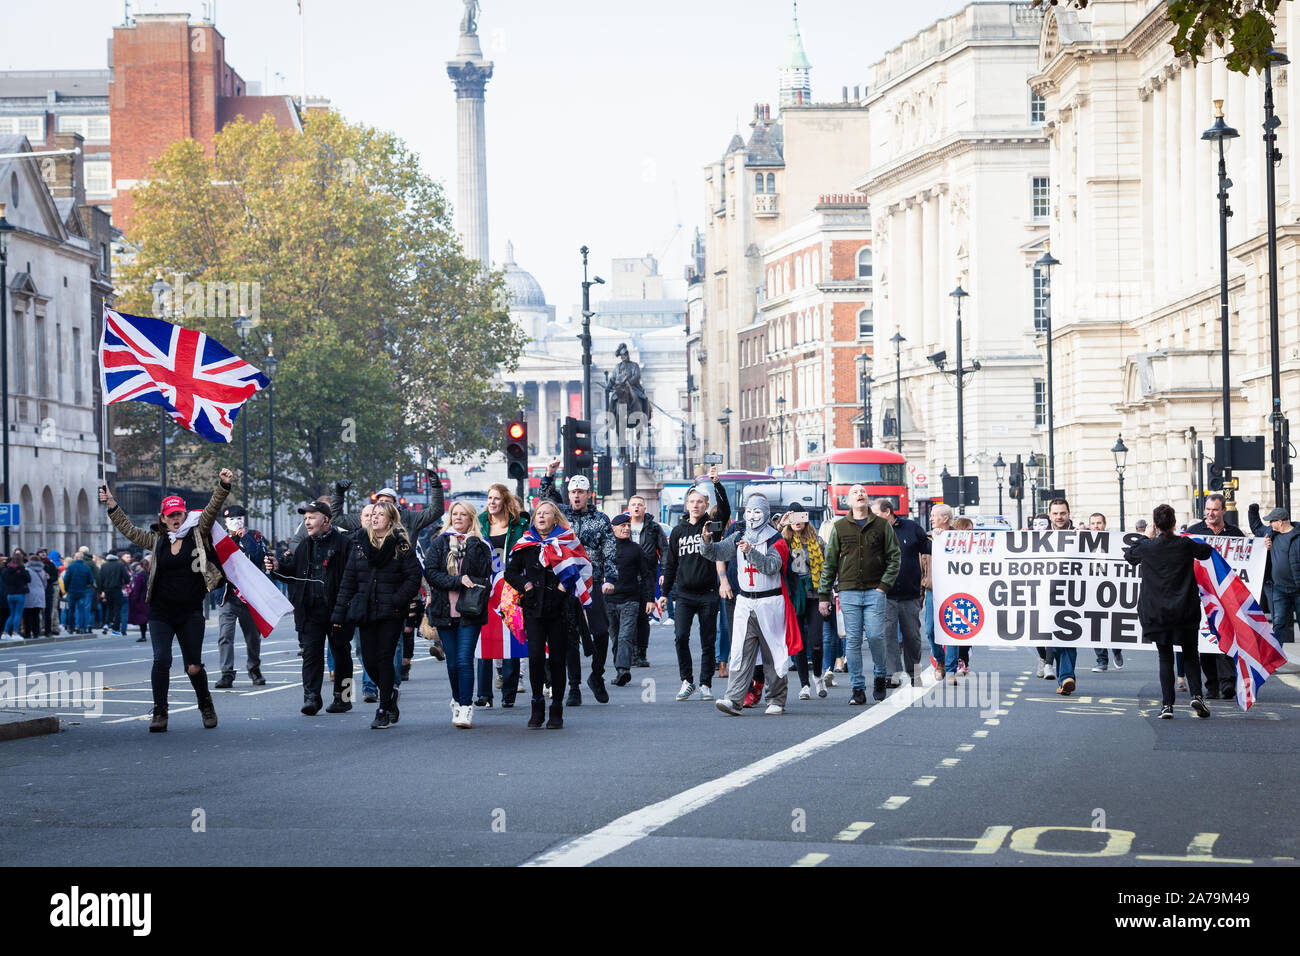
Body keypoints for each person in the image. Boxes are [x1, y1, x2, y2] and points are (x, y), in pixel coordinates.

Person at [101, 471, 234, 733]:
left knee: (193, 666)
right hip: (161, 611)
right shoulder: (157, 540)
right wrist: (112, 505)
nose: (175, 519)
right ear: (162, 518)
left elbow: (211, 509)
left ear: (185, 515)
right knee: (161, 660)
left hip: (190, 611)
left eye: (179, 514)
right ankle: (160, 712)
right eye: (170, 515)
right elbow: (128, 530)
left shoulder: (198, 533)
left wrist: (223, 485)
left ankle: (205, 703)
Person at [705, 494, 801, 716]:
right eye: (749, 511)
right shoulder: (739, 535)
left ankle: (776, 699)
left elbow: (771, 567)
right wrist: (707, 541)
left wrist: (751, 551)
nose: (752, 516)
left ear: (766, 514)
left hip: (770, 602)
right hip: (745, 601)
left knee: (773, 653)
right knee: (740, 650)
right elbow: (716, 553)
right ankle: (733, 698)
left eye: (757, 512)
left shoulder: (777, 539)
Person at [332, 499, 423, 729]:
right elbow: (349, 579)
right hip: (366, 609)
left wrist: (397, 599)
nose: (374, 518)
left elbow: (413, 578)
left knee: (384, 657)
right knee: (368, 659)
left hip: (391, 611)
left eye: (380, 515)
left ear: (390, 520)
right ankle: (390, 693)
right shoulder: (360, 544)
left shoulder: (401, 545)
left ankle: (382, 709)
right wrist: (339, 612)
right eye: (373, 514)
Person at [504, 500, 593, 729]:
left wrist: (565, 586)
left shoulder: (566, 540)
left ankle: (556, 708)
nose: (541, 517)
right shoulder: (526, 544)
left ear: (555, 518)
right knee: (535, 658)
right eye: (538, 514)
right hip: (534, 608)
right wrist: (526, 586)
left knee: (556, 660)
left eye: (546, 514)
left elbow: (581, 568)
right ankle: (537, 703)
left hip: (560, 608)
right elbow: (511, 573)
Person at [540, 461, 618, 705]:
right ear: (569, 494)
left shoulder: (601, 518)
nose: (576, 496)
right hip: (565, 582)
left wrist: (611, 577)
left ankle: (597, 675)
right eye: (573, 492)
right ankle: (573, 686)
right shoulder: (560, 518)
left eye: (581, 492)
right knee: (569, 635)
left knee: (601, 632)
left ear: (588, 495)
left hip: (590, 580)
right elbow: (544, 501)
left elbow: (609, 548)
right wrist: (549, 475)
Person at [1124, 505, 1213, 718]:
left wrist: (1146, 536)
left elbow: (1130, 555)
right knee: (1191, 654)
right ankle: (1197, 696)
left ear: (1155, 525)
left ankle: (1167, 706)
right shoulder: (1184, 544)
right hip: (1185, 610)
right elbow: (1206, 552)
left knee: (1165, 658)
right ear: (1174, 523)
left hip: (1157, 613)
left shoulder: (1148, 546)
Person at [266, 499, 353, 715]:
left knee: (342, 653)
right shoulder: (305, 546)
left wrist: (346, 607)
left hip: (337, 610)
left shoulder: (344, 544)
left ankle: (344, 698)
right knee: (311, 654)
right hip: (310, 610)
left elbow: (352, 578)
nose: (307, 522)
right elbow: (293, 574)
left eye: (311, 517)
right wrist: (277, 567)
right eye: (305, 518)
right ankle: (311, 698)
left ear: (326, 520)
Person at [818, 484, 901, 704]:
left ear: (867, 498)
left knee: (875, 636)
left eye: (862, 491)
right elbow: (830, 562)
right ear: (849, 501)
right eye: (854, 492)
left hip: (875, 591)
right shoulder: (840, 526)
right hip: (848, 592)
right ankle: (857, 688)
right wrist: (824, 595)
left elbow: (894, 557)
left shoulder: (882, 525)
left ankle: (880, 677)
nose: (860, 494)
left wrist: (884, 585)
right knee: (853, 640)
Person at [658, 465, 732, 702]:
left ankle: (705, 683)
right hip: (684, 594)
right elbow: (670, 564)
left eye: (701, 502)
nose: (696, 505)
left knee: (708, 639)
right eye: (692, 501)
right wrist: (663, 593)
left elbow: (726, 510)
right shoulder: (678, 531)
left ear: (705, 504)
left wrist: (717, 484)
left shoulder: (712, 527)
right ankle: (687, 680)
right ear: (687, 505)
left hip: (708, 593)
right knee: (680, 637)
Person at [424, 501, 493, 729]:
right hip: (444, 611)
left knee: (464, 660)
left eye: (463, 515)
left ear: (471, 518)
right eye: (455, 514)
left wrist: (472, 542)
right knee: (452, 663)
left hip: (469, 612)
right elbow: (431, 573)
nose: (458, 518)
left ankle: (466, 707)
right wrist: (456, 581)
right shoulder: (440, 542)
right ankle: (456, 698)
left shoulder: (481, 544)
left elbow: (483, 573)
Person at [476, 483, 530, 707]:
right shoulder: (479, 523)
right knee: (484, 639)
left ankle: (509, 693)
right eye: (489, 498)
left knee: (511, 639)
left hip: (511, 587)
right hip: (484, 588)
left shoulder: (519, 526)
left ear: (505, 501)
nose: (492, 502)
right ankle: (483, 694)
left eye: (496, 498)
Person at [1185, 493, 1243, 698]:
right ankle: (1211, 685)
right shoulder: (1193, 532)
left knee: (1226, 636)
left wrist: (1265, 549)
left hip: (1226, 596)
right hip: (1201, 595)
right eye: (1208, 510)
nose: (1210, 514)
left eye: (1215, 510)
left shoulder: (1235, 533)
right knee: (1206, 643)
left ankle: (1228, 683)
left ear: (1223, 511)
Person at [872, 498, 930, 687]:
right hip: (885, 593)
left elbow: (929, 548)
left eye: (877, 515)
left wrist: (940, 535)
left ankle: (915, 673)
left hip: (909, 593)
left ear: (888, 512)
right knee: (888, 635)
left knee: (912, 637)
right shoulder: (874, 531)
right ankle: (892, 675)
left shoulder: (911, 528)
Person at [214, 505, 267, 688]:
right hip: (227, 595)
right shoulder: (220, 539)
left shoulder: (255, 536)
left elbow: (260, 558)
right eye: (231, 519)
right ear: (225, 522)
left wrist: (245, 537)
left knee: (252, 636)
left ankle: (254, 668)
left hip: (249, 595)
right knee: (225, 635)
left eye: (239, 518)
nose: (235, 522)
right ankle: (227, 673)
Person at [780, 508, 826, 700]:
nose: (796, 521)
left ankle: (817, 676)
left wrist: (827, 595)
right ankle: (804, 684)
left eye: (800, 516)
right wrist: (781, 525)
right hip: (794, 596)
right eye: (792, 517)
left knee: (815, 642)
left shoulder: (818, 541)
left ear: (806, 519)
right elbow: (769, 545)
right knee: (798, 643)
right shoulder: (784, 541)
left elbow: (828, 566)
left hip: (815, 595)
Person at [607, 512, 657, 686]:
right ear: (613, 529)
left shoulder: (636, 549)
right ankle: (619, 668)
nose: (627, 528)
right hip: (609, 602)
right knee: (614, 638)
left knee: (625, 637)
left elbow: (647, 575)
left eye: (628, 526)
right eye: (623, 526)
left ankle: (623, 670)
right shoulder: (606, 548)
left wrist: (650, 599)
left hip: (631, 600)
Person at [626, 494, 668, 668]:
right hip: (627, 577)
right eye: (633, 504)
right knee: (627, 617)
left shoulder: (653, 528)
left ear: (645, 508)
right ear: (629, 508)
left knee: (643, 617)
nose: (636, 507)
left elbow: (664, 550)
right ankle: (629, 653)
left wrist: (664, 571)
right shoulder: (623, 525)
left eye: (639, 505)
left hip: (647, 577)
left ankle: (641, 654)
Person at [1043, 498, 1080, 695]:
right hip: (1045, 596)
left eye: (1062, 513)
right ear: (1050, 515)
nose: (1059, 517)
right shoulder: (1039, 538)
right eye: (1055, 513)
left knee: (1067, 636)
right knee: (1053, 640)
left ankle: (1066, 676)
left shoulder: (1081, 537)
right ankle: (1064, 677)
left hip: (1072, 595)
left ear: (1068, 514)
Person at [1087, 513, 1125, 673]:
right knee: (1095, 626)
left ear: (1105, 524)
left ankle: (1116, 650)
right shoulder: (1083, 542)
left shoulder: (1114, 540)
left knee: (1111, 624)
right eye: (1093, 523)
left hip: (1111, 589)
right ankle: (1102, 660)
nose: (1096, 526)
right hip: (1091, 590)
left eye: (1099, 523)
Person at [920, 504, 954, 682]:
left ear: (945, 518)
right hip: (933, 591)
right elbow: (922, 568)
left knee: (953, 631)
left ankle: (951, 670)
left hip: (955, 591)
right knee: (931, 630)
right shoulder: (928, 539)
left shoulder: (959, 537)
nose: (931, 518)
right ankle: (939, 660)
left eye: (934, 516)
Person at [1262, 507, 1300, 645]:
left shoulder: (1298, 535)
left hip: (1298, 589)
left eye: (1271, 521)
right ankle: (1274, 661)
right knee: (1278, 625)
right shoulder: (1272, 535)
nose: (1269, 524)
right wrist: (1252, 511)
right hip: (1279, 589)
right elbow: (1256, 529)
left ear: (1280, 522)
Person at [63, 549, 96, 634]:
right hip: (82, 591)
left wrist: (66, 589)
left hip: (71, 591)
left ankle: (71, 628)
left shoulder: (70, 567)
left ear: (76, 557)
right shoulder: (86, 568)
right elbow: (91, 581)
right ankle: (81, 628)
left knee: (71, 610)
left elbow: (66, 579)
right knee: (81, 610)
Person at [96, 551, 127, 636]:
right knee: (117, 609)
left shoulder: (103, 566)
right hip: (117, 589)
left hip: (106, 590)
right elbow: (126, 578)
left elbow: (100, 580)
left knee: (108, 608)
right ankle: (116, 628)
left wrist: (100, 591)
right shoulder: (120, 565)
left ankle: (106, 624)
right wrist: (123, 583)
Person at [2, 550, 31, 639]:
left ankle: (5, 633)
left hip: (9, 594)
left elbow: (4, 580)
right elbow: (28, 579)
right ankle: (15, 633)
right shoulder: (22, 569)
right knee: (18, 614)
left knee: (12, 614)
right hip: (20, 593)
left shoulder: (6, 570)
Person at [128, 553, 151, 642]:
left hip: (142, 599)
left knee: (142, 619)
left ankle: (143, 635)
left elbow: (137, 589)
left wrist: (134, 598)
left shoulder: (140, 576)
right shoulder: (150, 575)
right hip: (150, 598)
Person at [22, 553, 46, 639]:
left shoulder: (27, 570)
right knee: (36, 614)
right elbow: (45, 584)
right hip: (40, 594)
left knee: (27, 614)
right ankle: (36, 633)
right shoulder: (42, 571)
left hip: (29, 593)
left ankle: (28, 633)